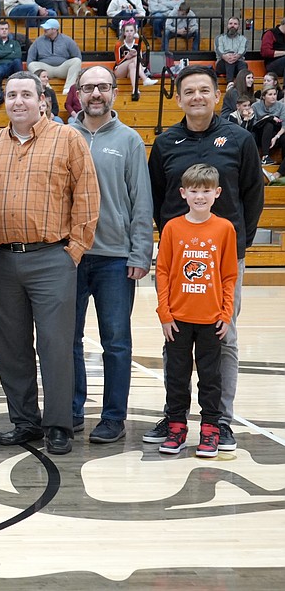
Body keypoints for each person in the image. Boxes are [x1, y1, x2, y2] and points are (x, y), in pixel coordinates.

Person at [0, 70, 100, 456]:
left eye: (26, 94)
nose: (18, 102)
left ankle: (59, 424)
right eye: (11, 95)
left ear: (42, 99)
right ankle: (24, 421)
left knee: (55, 345)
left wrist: (74, 250)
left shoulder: (68, 140)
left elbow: (87, 197)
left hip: (51, 259)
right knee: (10, 347)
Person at [143, 65, 264, 453]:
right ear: (178, 99)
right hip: (178, 256)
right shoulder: (165, 143)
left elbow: (252, 196)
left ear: (216, 95)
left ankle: (220, 421)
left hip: (223, 257)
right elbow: (158, 197)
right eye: (188, 91)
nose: (196, 97)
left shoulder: (240, 139)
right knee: (174, 336)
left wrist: (236, 245)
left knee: (222, 336)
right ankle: (174, 416)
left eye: (203, 91)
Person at [67, 65, 153, 444]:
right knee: (65, 338)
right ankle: (69, 411)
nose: (96, 94)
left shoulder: (130, 139)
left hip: (115, 258)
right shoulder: (64, 135)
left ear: (114, 92)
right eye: (89, 88)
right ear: (78, 93)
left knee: (115, 341)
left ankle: (113, 417)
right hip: (69, 256)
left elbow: (141, 202)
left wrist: (140, 254)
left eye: (103, 86)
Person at [154, 164, 238, 457]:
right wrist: (164, 313)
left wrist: (226, 314)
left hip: (211, 320)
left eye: (205, 191)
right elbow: (162, 272)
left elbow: (229, 276)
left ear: (216, 193)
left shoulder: (225, 229)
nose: (199, 196)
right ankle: (176, 428)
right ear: (183, 193)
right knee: (176, 377)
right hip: (177, 319)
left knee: (210, 378)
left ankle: (210, 430)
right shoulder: (173, 228)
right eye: (194, 191)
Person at [27, 19, 82, 95]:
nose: (44, 30)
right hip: (45, 69)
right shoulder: (38, 41)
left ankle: (68, 89)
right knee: (32, 64)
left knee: (77, 61)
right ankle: (46, 87)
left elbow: (77, 55)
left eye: (47, 28)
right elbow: (30, 59)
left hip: (62, 68)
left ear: (54, 29)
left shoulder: (67, 40)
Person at [114, 20, 159, 96]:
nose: (129, 33)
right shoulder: (119, 44)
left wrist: (137, 54)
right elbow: (118, 62)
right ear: (124, 33)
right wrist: (127, 57)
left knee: (133, 65)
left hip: (132, 70)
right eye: (127, 31)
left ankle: (135, 89)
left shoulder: (138, 42)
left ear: (135, 32)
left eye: (131, 31)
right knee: (134, 59)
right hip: (120, 70)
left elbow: (140, 61)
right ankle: (145, 79)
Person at [0, 20, 23, 86]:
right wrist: (11, 52)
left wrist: (0, 52)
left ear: (8, 30)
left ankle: (20, 86)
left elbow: (18, 55)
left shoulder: (15, 43)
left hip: (11, 66)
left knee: (17, 61)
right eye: (2, 29)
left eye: (6, 29)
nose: (4, 31)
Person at [216, 16, 250, 86]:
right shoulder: (220, 38)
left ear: (238, 26)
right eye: (230, 23)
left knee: (243, 64)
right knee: (229, 61)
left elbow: (242, 50)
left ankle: (243, 86)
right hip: (222, 65)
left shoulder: (243, 39)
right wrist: (225, 56)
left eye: (235, 24)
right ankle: (230, 83)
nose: (232, 26)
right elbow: (219, 50)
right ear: (227, 25)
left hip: (238, 64)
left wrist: (236, 56)